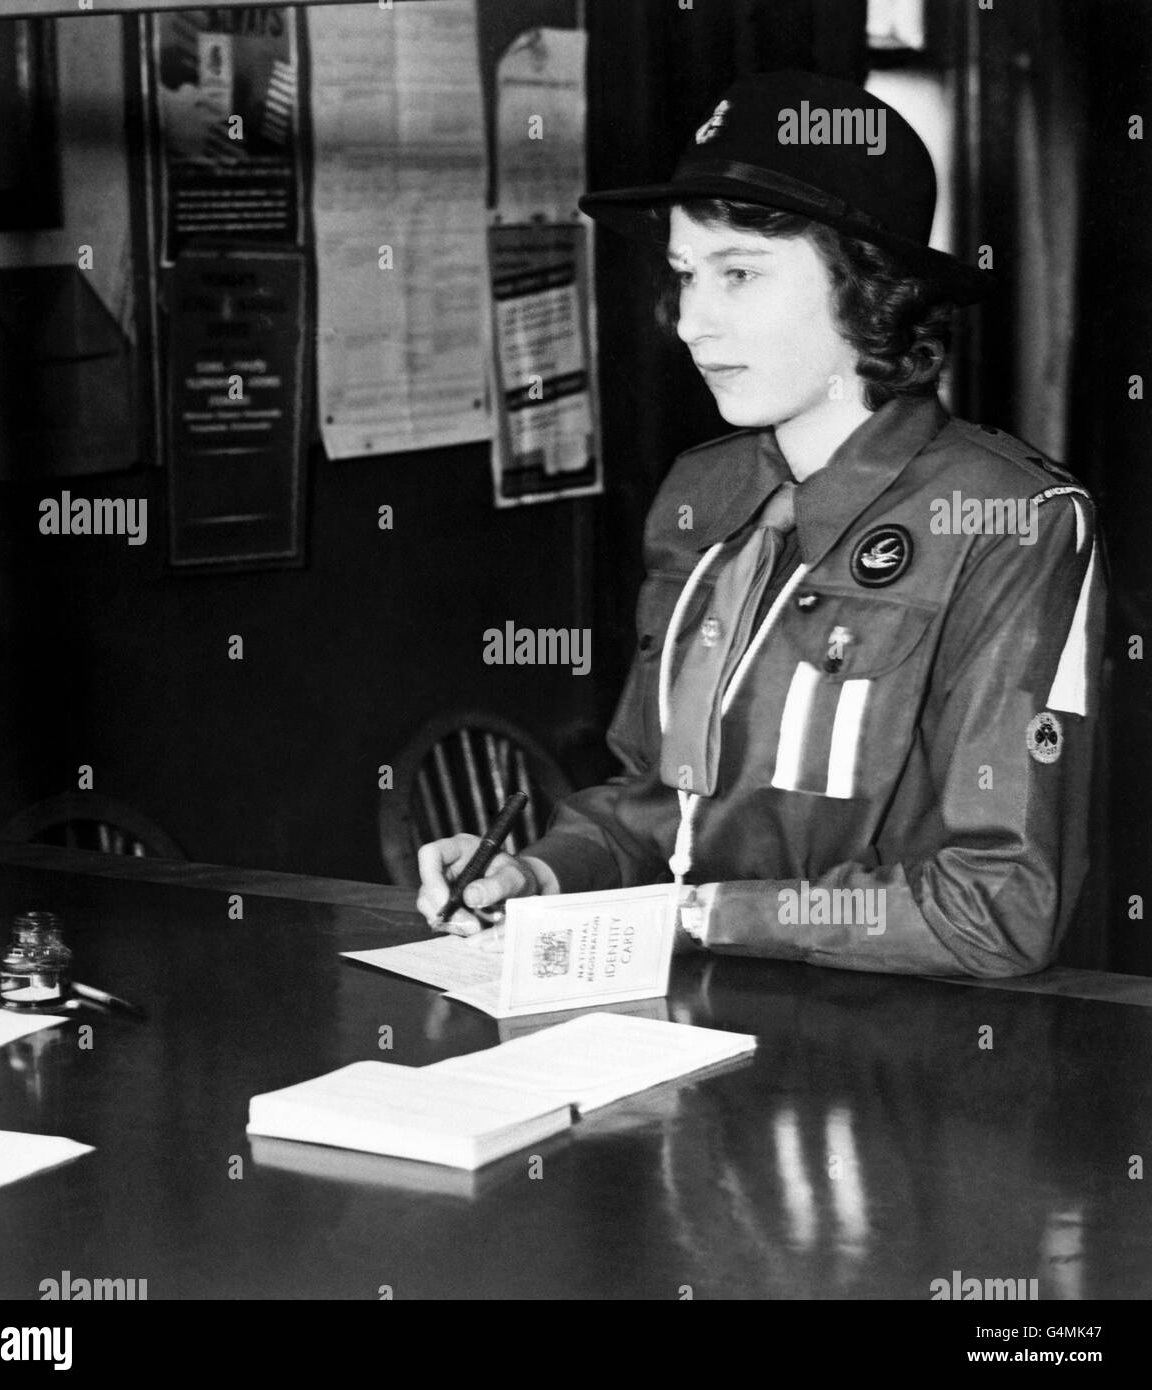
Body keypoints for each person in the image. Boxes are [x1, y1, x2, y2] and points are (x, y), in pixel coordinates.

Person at [416, 71, 1106, 977]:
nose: (691, 324)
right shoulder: (700, 494)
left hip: (897, 1064)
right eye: (682, 277)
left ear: (870, 289)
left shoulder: (1010, 521)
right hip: (677, 1020)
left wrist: (704, 917)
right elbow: (657, 806)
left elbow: (999, 908)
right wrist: (541, 873)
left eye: (738, 274)